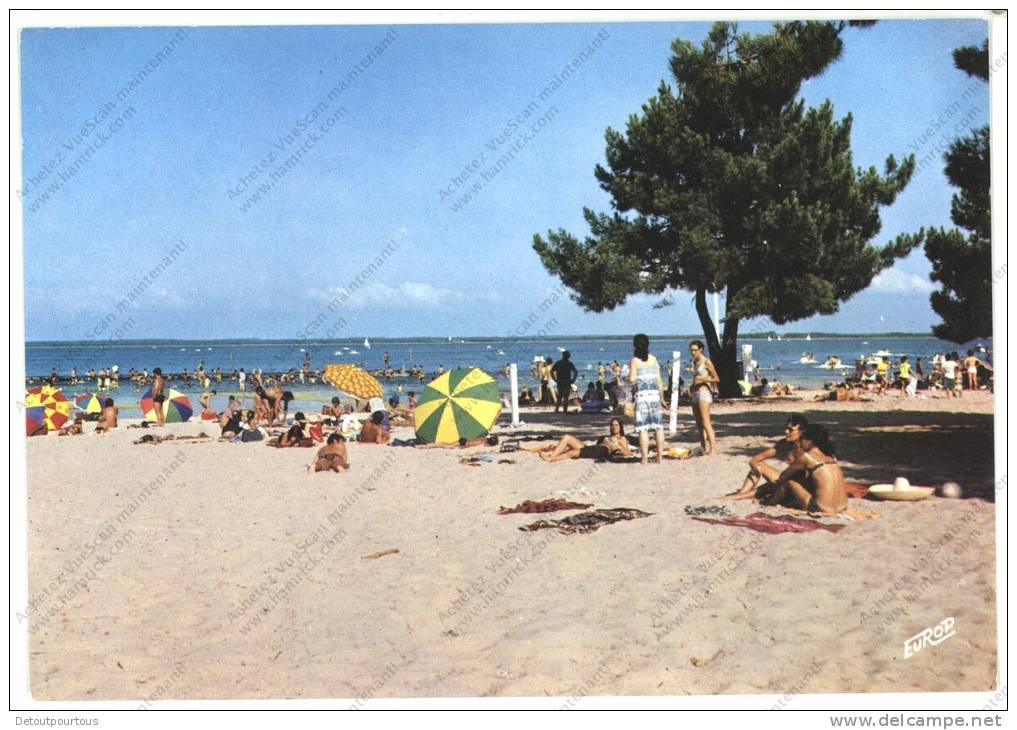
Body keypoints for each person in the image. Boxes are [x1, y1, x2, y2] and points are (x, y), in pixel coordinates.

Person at [759, 423, 847, 514]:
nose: (800, 442)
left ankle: (770, 503)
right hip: (842, 507)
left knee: (789, 482)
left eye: (801, 439)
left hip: (819, 508)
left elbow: (783, 476)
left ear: (810, 441)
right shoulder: (830, 456)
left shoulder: (806, 457)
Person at [726, 414, 808, 498]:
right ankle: (741, 494)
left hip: (799, 487)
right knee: (759, 466)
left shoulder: (809, 448)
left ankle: (738, 496)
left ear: (801, 431)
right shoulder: (784, 444)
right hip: (786, 480)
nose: (786, 432)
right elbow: (755, 459)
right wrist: (756, 469)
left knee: (765, 488)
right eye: (786, 428)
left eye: (791, 430)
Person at [628, 334, 666, 465]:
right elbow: (659, 381)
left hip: (642, 396)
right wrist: (662, 398)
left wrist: (626, 378)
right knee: (658, 427)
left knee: (643, 428)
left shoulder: (634, 360)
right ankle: (660, 458)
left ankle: (644, 458)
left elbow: (632, 379)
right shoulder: (653, 359)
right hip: (654, 396)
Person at [539, 418, 631, 462]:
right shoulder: (608, 436)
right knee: (567, 437)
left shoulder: (621, 438)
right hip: (593, 448)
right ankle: (552, 454)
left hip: (600, 452)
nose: (614, 427)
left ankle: (551, 459)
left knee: (571, 453)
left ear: (620, 427)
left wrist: (617, 445)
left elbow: (627, 453)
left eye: (616, 425)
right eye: (612, 425)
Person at [689, 340, 719, 456]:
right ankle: (702, 447)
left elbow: (716, 378)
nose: (693, 352)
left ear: (701, 349)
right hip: (695, 392)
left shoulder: (706, 362)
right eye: (691, 350)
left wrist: (704, 379)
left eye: (695, 350)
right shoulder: (694, 362)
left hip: (704, 392)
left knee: (706, 422)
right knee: (698, 424)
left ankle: (713, 449)